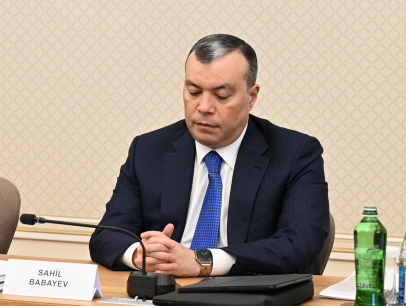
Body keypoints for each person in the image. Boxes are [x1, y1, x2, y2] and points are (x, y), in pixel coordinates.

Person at [88, 34, 329, 276]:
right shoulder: (148, 149)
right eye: (193, 92)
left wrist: (202, 261)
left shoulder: (295, 154)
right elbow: (106, 236)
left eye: (221, 96)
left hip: (245, 291)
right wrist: (141, 256)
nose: (203, 107)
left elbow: (299, 245)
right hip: (163, 289)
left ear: (251, 97)